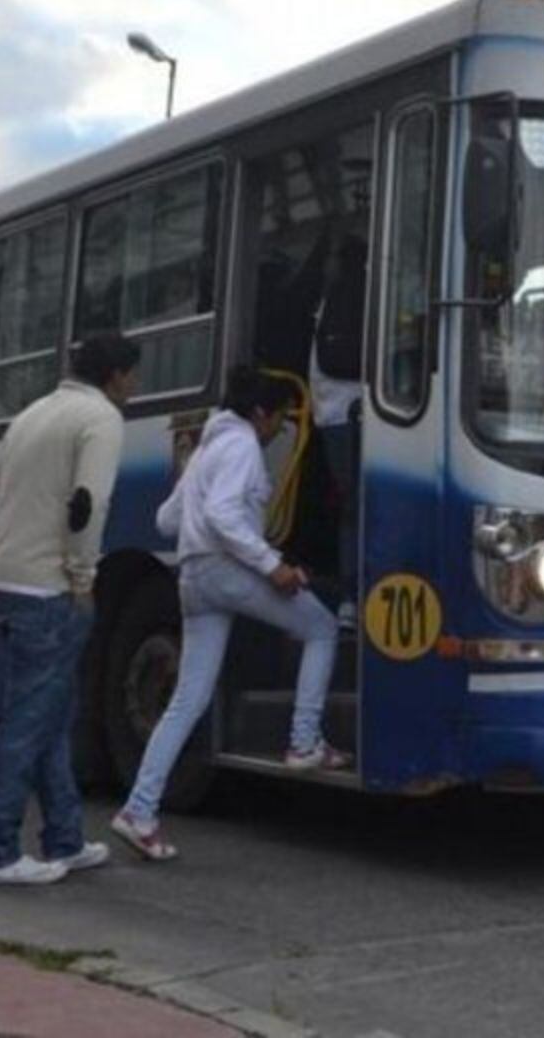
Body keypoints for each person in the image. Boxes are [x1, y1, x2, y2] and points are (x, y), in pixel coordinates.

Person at [110, 367, 347, 863]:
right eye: (279, 419)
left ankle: (139, 810)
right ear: (259, 413)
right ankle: (304, 741)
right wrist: (271, 565)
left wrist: (200, 515)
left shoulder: (206, 448)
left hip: (193, 579)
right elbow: (222, 516)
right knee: (321, 628)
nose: (279, 429)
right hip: (228, 571)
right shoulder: (241, 445)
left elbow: (166, 519)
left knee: (187, 701)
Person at [0, 332, 140, 887]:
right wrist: (82, 578)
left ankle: (65, 838)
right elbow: (87, 505)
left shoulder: (32, 413)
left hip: (0, 579)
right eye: (133, 375)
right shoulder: (101, 418)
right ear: (115, 375)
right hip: (47, 588)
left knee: (49, 716)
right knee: (27, 722)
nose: (135, 386)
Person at [309, 232, 366, 617]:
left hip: (338, 414)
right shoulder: (348, 292)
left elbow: (332, 359)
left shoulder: (341, 294)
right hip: (344, 413)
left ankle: (351, 595)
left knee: (352, 505)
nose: (326, 264)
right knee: (356, 505)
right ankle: (353, 593)